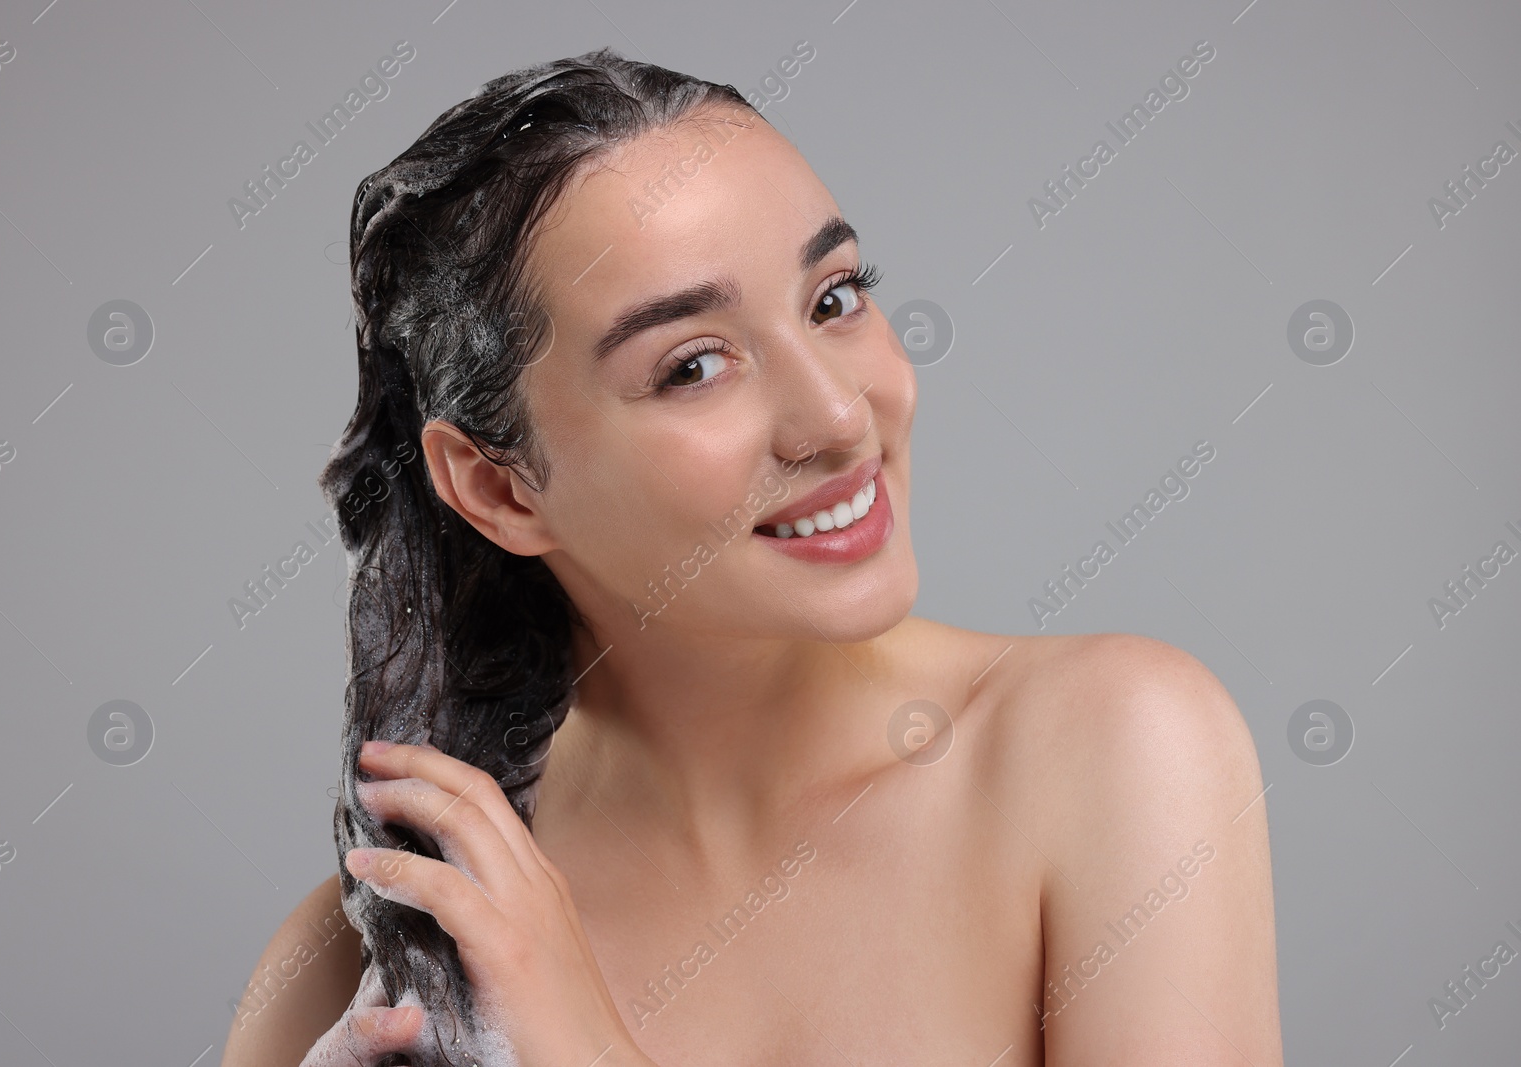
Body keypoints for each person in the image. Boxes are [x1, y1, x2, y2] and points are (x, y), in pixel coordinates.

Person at [221, 47, 1282, 1067]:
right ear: (499, 485)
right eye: (691, 366)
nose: (837, 414)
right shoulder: (380, 957)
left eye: (833, 297)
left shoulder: (1111, 751)